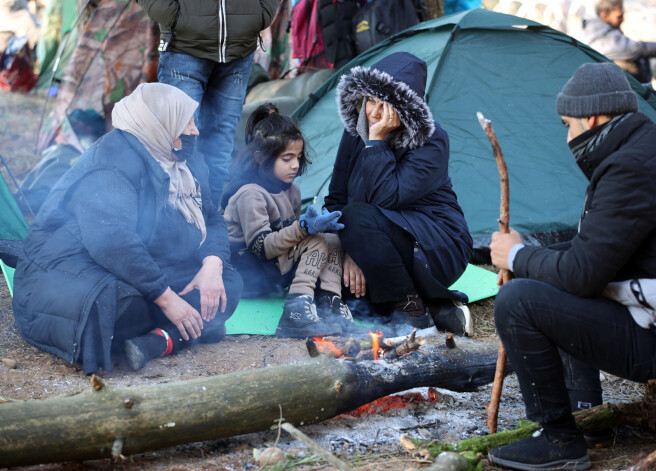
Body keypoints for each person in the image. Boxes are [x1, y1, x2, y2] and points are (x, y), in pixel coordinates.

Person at [488, 62, 656, 470]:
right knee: (549, 280)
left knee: (519, 300)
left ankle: (559, 438)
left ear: (592, 118)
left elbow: (582, 274)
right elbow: (598, 249)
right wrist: (528, 253)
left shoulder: (631, 167)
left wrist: (516, 257)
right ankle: (584, 408)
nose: (567, 137)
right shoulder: (639, 148)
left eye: (568, 125)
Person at [12, 83, 243, 374]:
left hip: (143, 261)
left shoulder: (185, 160)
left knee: (227, 285)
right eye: (186, 121)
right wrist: (168, 298)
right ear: (158, 122)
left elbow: (212, 217)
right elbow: (111, 241)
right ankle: (185, 331)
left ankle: (161, 340)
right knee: (119, 308)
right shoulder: (111, 161)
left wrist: (212, 264)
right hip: (77, 264)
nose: (194, 130)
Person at [324, 51, 473, 335]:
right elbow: (336, 199)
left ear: (404, 108)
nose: (375, 113)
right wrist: (347, 251)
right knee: (335, 280)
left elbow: (386, 199)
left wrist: (376, 142)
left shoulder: (432, 140)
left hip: (435, 243)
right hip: (372, 238)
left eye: (385, 105)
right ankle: (438, 309)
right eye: (370, 101)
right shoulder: (357, 129)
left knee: (356, 217)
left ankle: (411, 311)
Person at [221, 103, 352, 338]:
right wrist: (303, 228)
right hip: (247, 270)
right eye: (287, 158)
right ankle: (294, 313)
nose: (295, 164)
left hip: (270, 268)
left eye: (299, 157)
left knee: (331, 238)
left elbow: (288, 235)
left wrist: (312, 228)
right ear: (261, 158)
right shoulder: (250, 193)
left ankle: (330, 304)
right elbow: (263, 248)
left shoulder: (292, 190)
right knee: (315, 242)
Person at [136, 0, 281, 205]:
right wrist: (175, 17)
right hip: (184, 47)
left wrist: (260, 15)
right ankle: (176, 224)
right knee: (179, 144)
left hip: (239, 50)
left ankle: (208, 222)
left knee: (220, 148)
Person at [579, 0, 656, 84]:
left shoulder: (599, 29)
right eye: (619, 17)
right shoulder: (597, 33)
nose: (623, 19)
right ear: (604, 16)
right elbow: (632, 49)